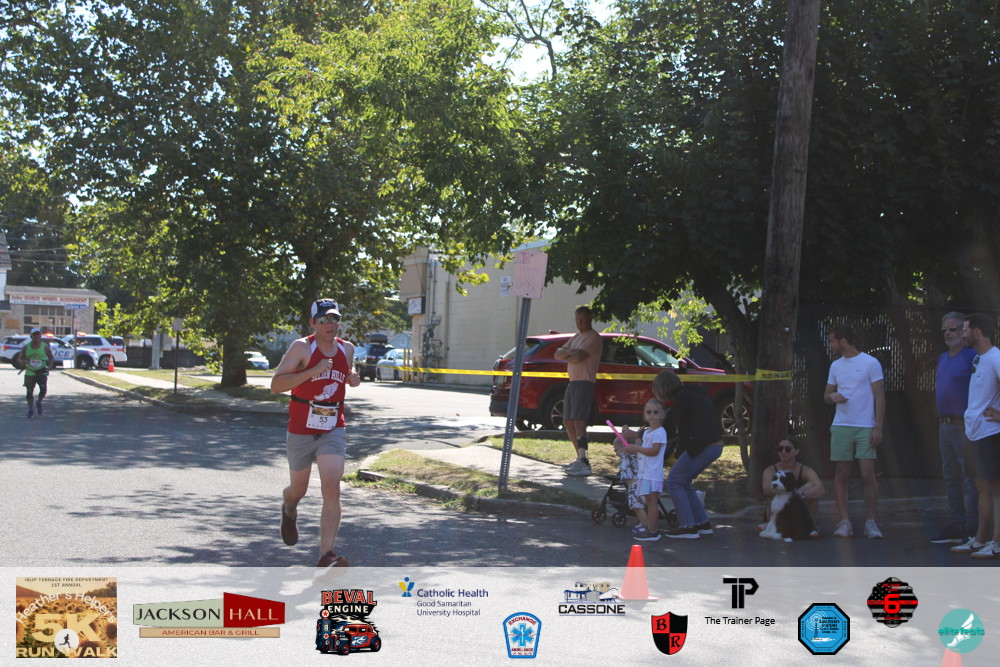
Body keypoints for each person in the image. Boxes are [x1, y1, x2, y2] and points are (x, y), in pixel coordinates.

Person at [271, 299, 361, 570]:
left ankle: (326, 555)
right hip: (301, 428)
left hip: (333, 426)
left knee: (332, 486)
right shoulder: (301, 347)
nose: (330, 324)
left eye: (334, 319)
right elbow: (276, 385)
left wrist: (353, 377)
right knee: (297, 490)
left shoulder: (347, 349)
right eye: (323, 320)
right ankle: (289, 509)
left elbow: (347, 371)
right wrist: (312, 370)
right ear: (313, 323)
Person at [824, 324, 885, 539]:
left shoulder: (871, 363)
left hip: (865, 425)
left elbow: (880, 396)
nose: (830, 345)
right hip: (842, 424)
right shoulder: (835, 366)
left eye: (832, 341)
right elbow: (826, 395)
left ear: (843, 341)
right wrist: (833, 397)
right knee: (841, 474)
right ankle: (844, 521)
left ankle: (871, 521)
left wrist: (878, 427)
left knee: (867, 473)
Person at [651, 370, 723, 539]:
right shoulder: (692, 394)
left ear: (663, 387)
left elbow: (668, 426)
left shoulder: (682, 399)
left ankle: (687, 526)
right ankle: (702, 524)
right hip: (714, 445)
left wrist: (645, 434)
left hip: (703, 446)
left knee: (674, 481)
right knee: (684, 482)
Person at [952, 313, 1000, 559]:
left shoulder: (996, 358)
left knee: (996, 489)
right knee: (982, 486)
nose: (962, 334)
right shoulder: (979, 359)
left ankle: (997, 543)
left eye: (965, 330)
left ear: (977, 332)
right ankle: (980, 540)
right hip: (974, 433)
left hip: (991, 434)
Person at [930, 311, 979, 544]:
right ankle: (957, 524)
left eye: (953, 329)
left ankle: (973, 527)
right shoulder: (943, 358)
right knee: (950, 476)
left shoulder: (972, 356)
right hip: (945, 425)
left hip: (963, 425)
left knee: (969, 476)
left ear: (963, 331)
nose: (948, 334)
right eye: (945, 330)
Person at [554, 306, 603, 477]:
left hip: (584, 382)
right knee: (568, 420)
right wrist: (569, 352)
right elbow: (557, 354)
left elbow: (577, 357)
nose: (580, 323)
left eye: (583, 319)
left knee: (579, 420)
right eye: (577, 319)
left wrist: (568, 354)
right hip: (572, 382)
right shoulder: (576, 337)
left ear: (590, 319)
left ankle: (583, 459)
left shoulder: (593, 337)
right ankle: (579, 458)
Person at [620, 398, 668, 542]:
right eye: (649, 412)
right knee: (649, 502)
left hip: (652, 474)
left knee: (652, 503)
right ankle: (650, 528)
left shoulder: (660, 432)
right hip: (645, 473)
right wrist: (633, 450)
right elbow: (644, 451)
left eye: (655, 412)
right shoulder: (647, 433)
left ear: (662, 414)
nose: (652, 415)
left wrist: (637, 448)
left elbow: (654, 451)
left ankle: (653, 531)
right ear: (645, 415)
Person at [760, 436, 825, 528]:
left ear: (796, 451)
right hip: (779, 510)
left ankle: (810, 527)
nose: (783, 452)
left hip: (798, 510)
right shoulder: (770, 470)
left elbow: (820, 490)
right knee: (772, 498)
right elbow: (766, 490)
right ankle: (774, 525)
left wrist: (799, 495)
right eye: (780, 449)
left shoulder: (805, 470)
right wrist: (789, 496)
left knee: (812, 491)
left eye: (788, 449)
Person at [15, 328, 54, 418]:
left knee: (43, 389)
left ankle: (39, 401)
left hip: (41, 371)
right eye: (34, 334)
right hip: (30, 371)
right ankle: (30, 408)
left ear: (40, 336)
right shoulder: (26, 347)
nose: (36, 336)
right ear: (31, 336)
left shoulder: (44, 346)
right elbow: (19, 358)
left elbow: (51, 357)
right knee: (29, 392)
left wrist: (50, 366)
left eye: (38, 334)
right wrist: (22, 361)